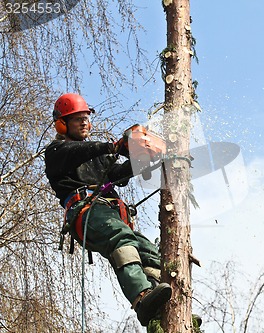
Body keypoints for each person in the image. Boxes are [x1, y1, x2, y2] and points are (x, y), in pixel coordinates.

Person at [44, 93, 171, 326]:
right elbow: (78, 152)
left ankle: (163, 312)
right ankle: (142, 298)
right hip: (86, 213)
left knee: (149, 251)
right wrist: (112, 146)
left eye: (85, 118)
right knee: (120, 239)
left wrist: (143, 159)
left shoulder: (98, 156)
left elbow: (117, 175)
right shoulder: (57, 151)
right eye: (76, 119)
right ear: (62, 124)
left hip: (111, 213)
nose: (83, 122)